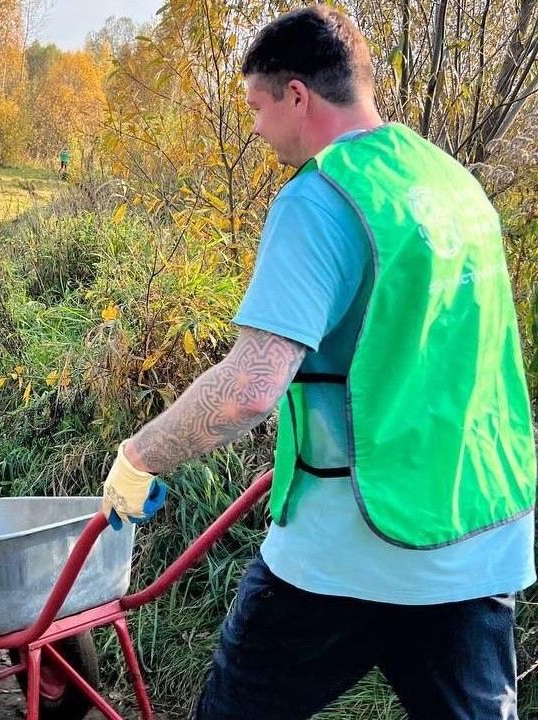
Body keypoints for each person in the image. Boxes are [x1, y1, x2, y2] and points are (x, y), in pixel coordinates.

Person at [101, 6, 536, 720]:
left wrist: (140, 454)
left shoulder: (323, 197)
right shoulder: (451, 183)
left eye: (257, 107)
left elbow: (249, 390)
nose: (256, 127)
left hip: (353, 546)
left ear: (296, 95)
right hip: (482, 528)